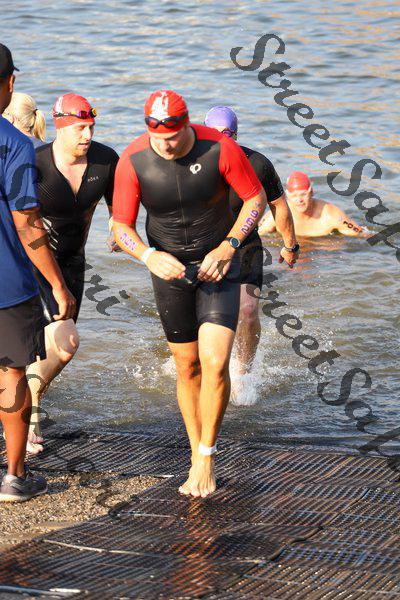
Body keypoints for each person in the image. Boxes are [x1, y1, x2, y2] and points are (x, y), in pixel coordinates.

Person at [113, 89, 298, 498]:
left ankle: (206, 456)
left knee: (215, 364)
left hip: (219, 267)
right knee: (188, 367)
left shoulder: (220, 148)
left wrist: (229, 246)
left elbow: (255, 200)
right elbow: (120, 226)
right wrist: (147, 256)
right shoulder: (133, 159)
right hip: (168, 270)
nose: (165, 145)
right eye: (157, 137)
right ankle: (195, 451)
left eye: (172, 137)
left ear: (186, 124)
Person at [0, 44, 75, 502]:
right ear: (9, 82)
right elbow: (27, 222)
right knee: (11, 373)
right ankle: (14, 476)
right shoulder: (14, 144)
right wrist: (57, 283)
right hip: (7, 282)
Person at [26, 93, 120, 453]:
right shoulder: (35, 164)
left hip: (72, 265)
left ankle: (25, 406)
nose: (88, 135)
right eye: (80, 128)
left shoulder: (105, 160)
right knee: (64, 343)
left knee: (55, 351)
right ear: (60, 126)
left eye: (91, 127)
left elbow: (118, 208)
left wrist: (116, 228)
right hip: (31, 264)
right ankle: (27, 414)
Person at [204, 106, 298, 390]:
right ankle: (200, 366)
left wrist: (290, 245)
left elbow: (279, 205)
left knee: (247, 310)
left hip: (246, 246)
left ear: (236, 134)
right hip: (204, 245)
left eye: (228, 133)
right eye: (216, 133)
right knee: (206, 314)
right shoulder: (193, 163)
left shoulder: (258, 164)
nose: (223, 139)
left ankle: (243, 373)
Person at [258, 171, 366, 237]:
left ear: (311, 192)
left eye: (303, 194)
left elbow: (361, 234)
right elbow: (256, 235)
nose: (299, 200)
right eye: (294, 196)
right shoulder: (276, 215)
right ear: (288, 196)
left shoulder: (331, 215)